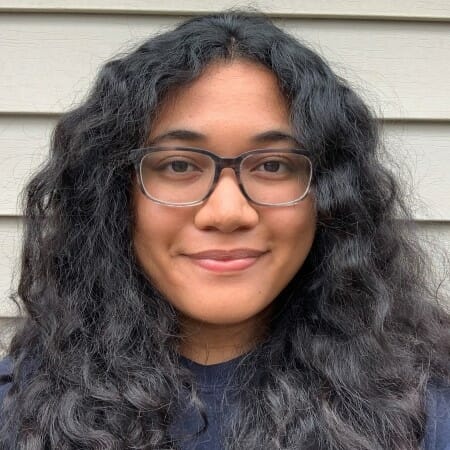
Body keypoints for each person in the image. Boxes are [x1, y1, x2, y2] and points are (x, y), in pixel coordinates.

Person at [0, 9, 449, 450]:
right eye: (178, 165)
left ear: (330, 198)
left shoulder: (424, 414)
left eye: (273, 165)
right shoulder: (16, 412)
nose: (228, 211)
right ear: (116, 196)